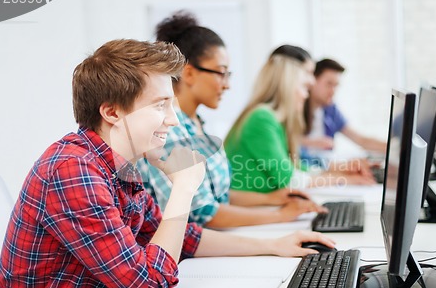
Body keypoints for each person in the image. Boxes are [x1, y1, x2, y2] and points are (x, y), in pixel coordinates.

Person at [0, 39, 336, 288]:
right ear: (112, 112)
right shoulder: (73, 172)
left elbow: (182, 238)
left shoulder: (121, 164)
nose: (172, 120)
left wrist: (274, 245)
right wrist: (183, 188)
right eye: (160, 106)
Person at [138, 12, 325, 229]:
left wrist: (272, 199)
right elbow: (205, 214)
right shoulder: (170, 132)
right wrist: (280, 215)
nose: (227, 85)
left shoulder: (197, 124)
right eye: (221, 73)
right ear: (189, 74)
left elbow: (220, 195)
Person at [225, 51, 375, 194]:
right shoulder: (262, 118)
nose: (305, 95)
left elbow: (295, 168)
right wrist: (344, 179)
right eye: (304, 87)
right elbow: (290, 180)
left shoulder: (272, 119)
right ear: (288, 87)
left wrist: (338, 171)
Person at [302, 58, 387, 155]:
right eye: (329, 84)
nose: (333, 91)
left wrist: (393, 148)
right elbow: (284, 141)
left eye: (336, 85)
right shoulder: (296, 106)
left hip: (322, 165)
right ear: (313, 80)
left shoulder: (331, 110)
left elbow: (360, 140)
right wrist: (310, 143)